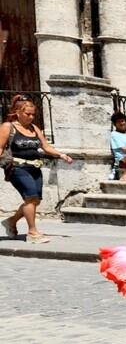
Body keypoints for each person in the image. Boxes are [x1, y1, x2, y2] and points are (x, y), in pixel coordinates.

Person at [1, 94, 74, 243]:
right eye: (28, 114)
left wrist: (61, 155)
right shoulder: (8, 126)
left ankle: (11, 222)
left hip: (35, 168)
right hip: (17, 167)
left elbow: (45, 147)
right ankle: (32, 233)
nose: (31, 117)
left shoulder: (34, 128)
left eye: (33, 114)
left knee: (35, 200)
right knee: (30, 197)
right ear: (18, 112)